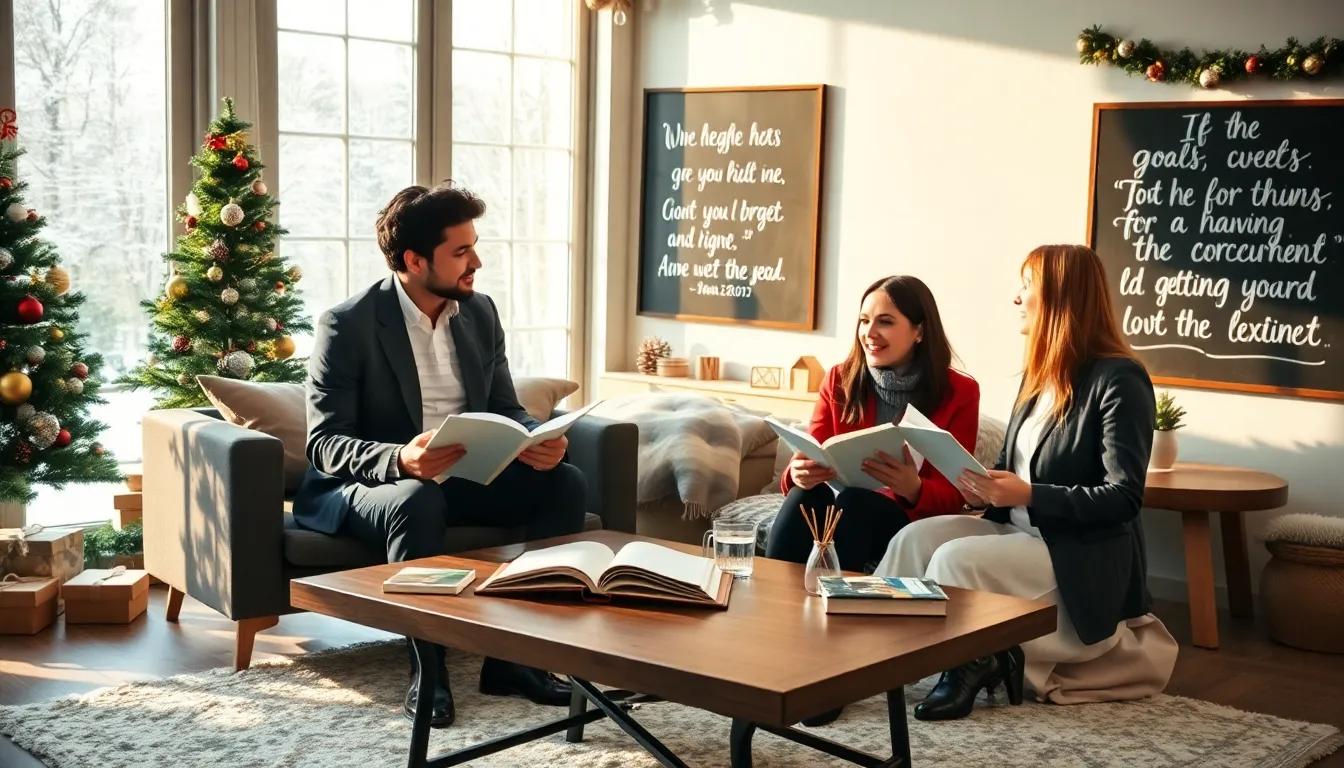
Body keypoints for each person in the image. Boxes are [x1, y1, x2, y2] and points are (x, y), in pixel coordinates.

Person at [291, 181, 586, 729]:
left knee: (564, 483)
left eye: (474, 247)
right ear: (414, 260)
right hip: (377, 486)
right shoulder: (347, 324)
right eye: (461, 251)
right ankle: (429, 673)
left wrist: (537, 437)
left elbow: (505, 406)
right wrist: (401, 459)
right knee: (417, 498)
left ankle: (515, 659)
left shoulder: (480, 313)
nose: (476, 262)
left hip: (465, 475)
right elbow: (325, 442)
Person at [874, 244, 1177, 722]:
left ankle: (968, 664)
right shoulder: (1038, 376)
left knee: (956, 558)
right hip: (1014, 528)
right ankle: (863, 657)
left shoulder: (1120, 378)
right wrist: (978, 485)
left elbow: (1124, 497)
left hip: (1076, 548)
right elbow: (1010, 464)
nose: (1017, 298)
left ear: (1059, 298)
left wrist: (1030, 494)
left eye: (1027, 287)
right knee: (913, 538)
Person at [763, 275, 980, 725]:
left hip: (899, 518)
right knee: (805, 498)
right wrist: (796, 473)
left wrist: (913, 487)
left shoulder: (960, 392)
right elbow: (811, 451)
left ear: (919, 330)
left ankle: (837, 671)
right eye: (864, 321)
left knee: (857, 505)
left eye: (885, 321)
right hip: (840, 503)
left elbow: (960, 493)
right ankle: (775, 649)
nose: (870, 333)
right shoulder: (840, 378)